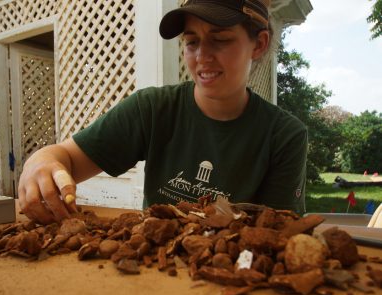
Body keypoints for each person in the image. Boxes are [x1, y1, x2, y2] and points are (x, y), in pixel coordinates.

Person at [18, 0, 308, 225]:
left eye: (220, 39)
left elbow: (276, 232)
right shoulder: (153, 109)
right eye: (192, 41)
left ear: (258, 44)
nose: (202, 56)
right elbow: (65, 157)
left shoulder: (284, 135)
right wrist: (40, 162)